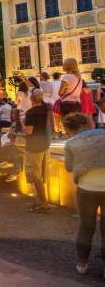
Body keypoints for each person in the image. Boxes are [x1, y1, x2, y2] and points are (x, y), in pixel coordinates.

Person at [63, 112, 105, 276]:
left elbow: (68, 167)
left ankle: (82, 263)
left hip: (86, 188)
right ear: (89, 123)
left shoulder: (70, 143)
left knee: (86, 226)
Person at [23, 89, 52, 213]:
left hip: (34, 145)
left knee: (35, 175)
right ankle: (38, 201)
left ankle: (44, 203)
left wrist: (20, 128)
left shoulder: (31, 112)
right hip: (44, 143)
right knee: (41, 174)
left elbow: (29, 131)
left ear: (31, 98)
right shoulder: (46, 109)